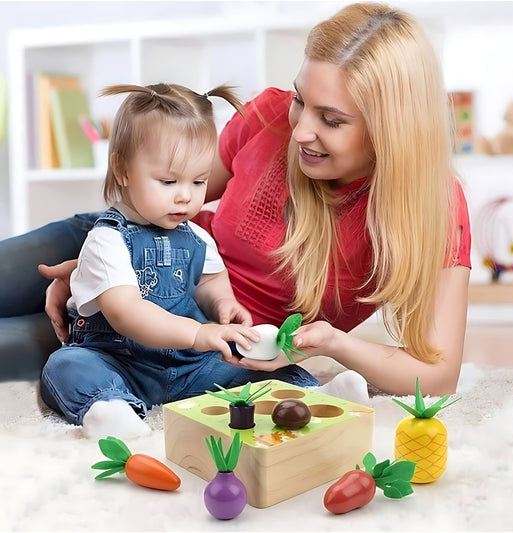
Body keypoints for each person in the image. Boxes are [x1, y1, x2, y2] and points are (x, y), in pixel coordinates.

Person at [0, 2, 470, 400]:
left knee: (15, 349)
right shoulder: (269, 115)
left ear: (392, 130)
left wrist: (336, 346)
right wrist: (96, 264)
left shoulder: (434, 209)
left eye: (331, 119)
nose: (302, 130)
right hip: (127, 237)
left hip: (182, 333)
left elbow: (438, 374)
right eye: (301, 100)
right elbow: (176, 192)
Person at [38, 82, 320, 439]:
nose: (186, 196)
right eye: (169, 181)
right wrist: (199, 332)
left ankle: (311, 395)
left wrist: (224, 304)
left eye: (199, 181)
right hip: (121, 362)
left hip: (189, 368)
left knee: (245, 364)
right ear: (123, 170)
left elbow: (209, 281)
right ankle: (109, 408)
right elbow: (126, 312)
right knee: (66, 366)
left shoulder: (197, 237)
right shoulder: (106, 240)